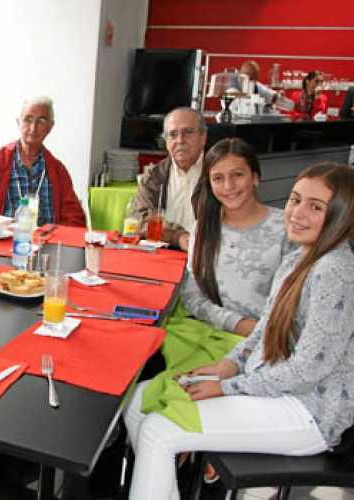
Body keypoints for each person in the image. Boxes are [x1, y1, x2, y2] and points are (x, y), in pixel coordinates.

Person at [123, 162, 354, 499]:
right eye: (295, 199)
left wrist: (228, 387)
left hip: (310, 410)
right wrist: (227, 365)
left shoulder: (335, 270)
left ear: (342, 215)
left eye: (316, 207)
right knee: (139, 400)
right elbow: (263, 331)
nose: (297, 212)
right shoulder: (299, 257)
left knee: (159, 430)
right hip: (274, 386)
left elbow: (308, 369)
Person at [182, 137, 292, 337]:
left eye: (238, 175)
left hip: (269, 339)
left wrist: (259, 332)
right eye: (218, 178)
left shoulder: (287, 228)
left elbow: (293, 302)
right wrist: (239, 325)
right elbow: (192, 295)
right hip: (212, 332)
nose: (228, 186)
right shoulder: (203, 228)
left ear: (255, 177)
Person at [0, 96, 85, 233]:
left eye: (41, 121)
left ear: (50, 127)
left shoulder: (58, 171)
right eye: (28, 119)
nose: (33, 128)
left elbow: (74, 220)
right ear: (18, 123)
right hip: (4, 242)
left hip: (48, 243)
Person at [131, 107, 207, 251]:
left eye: (188, 132)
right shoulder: (154, 176)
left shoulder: (217, 174)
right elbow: (140, 220)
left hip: (207, 252)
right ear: (166, 141)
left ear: (203, 137)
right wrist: (178, 237)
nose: (180, 140)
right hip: (164, 252)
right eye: (173, 134)